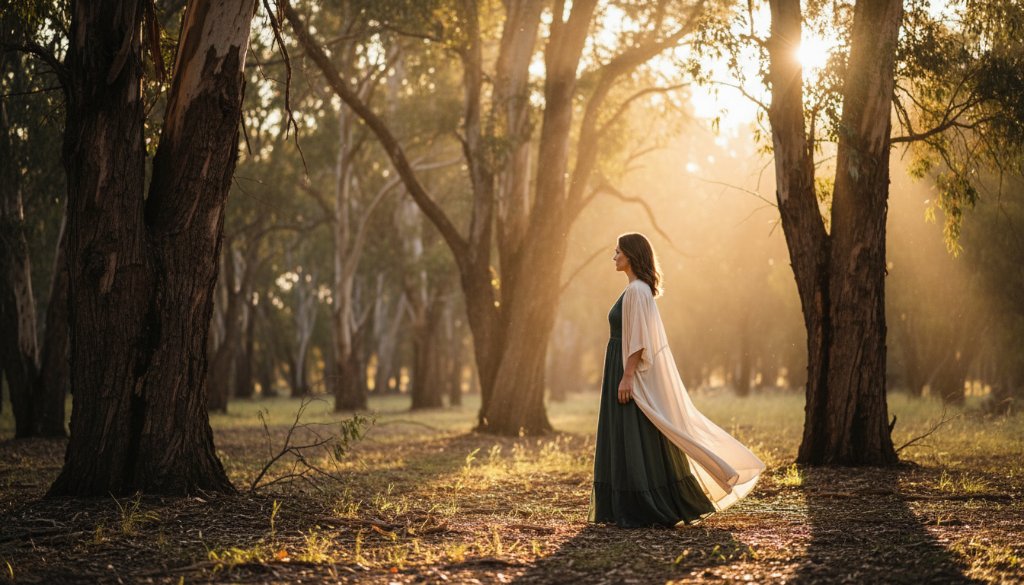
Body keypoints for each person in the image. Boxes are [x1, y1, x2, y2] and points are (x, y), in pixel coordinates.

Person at [589, 232, 765, 528]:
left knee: (633, 435)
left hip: (626, 371)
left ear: (630, 255)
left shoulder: (636, 291)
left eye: (618, 251)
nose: (614, 256)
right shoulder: (637, 289)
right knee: (632, 434)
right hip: (620, 366)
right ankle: (630, 504)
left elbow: (639, 340)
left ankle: (642, 505)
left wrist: (627, 377)